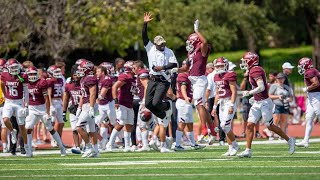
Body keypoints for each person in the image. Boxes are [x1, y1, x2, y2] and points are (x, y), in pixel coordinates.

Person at [237, 52, 295, 158]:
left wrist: (249, 92)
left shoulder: (255, 70)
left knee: (269, 126)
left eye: (245, 61)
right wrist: (254, 97)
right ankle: (248, 150)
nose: (244, 63)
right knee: (250, 125)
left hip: (264, 102)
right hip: (258, 101)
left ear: (251, 61)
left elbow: (262, 87)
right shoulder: (253, 70)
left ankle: (289, 140)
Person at [142, 12, 177, 152]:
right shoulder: (150, 48)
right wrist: (145, 24)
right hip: (152, 79)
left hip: (163, 80)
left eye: (163, 43)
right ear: (155, 44)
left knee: (156, 103)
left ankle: (167, 105)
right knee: (148, 104)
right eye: (160, 44)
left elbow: (174, 65)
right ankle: (164, 114)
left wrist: (161, 67)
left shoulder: (168, 51)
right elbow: (144, 37)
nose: (162, 45)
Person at [175, 19, 212, 144]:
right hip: (193, 80)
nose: (188, 44)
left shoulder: (202, 49)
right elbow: (185, 68)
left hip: (200, 79)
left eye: (190, 42)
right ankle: (212, 128)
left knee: (199, 104)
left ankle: (204, 129)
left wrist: (197, 31)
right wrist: (174, 70)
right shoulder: (190, 54)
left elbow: (205, 41)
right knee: (199, 105)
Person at [25, 66, 66, 157]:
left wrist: (48, 113)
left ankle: (62, 147)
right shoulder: (26, 84)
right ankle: (29, 150)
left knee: (50, 128)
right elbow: (26, 97)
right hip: (32, 108)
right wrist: (26, 107)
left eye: (33, 74)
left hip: (42, 108)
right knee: (28, 127)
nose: (32, 76)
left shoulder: (41, 83)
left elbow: (46, 99)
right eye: (30, 74)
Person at [0, 58, 29, 155]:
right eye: (12, 67)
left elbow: (26, 91)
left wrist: (26, 105)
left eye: (16, 67)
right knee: (5, 120)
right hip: (9, 101)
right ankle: (12, 131)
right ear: (8, 68)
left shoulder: (22, 75)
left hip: (19, 102)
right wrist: (5, 95)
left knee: (22, 126)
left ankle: (26, 146)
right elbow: (2, 84)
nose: (15, 69)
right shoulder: (4, 75)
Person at [211, 57, 239, 156]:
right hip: (221, 103)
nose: (219, 67)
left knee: (224, 125)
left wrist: (231, 105)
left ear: (226, 65)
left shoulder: (229, 75)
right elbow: (217, 93)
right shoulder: (216, 77)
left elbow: (234, 91)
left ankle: (235, 145)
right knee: (225, 127)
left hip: (229, 102)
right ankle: (230, 148)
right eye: (217, 66)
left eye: (221, 65)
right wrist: (214, 107)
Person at [175, 60, 203, 151]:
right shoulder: (182, 75)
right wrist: (186, 97)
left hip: (187, 102)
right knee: (182, 123)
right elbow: (183, 87)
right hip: (183, 102)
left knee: (190, 123)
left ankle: (193, 144)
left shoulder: (188, 76)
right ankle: (177, 145)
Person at [107, 61, 135, 152]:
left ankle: (127, 146)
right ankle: (110, 144)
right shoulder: (125, 76)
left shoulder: (133, 77)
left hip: (129, 103)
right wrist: (116, 101)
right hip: (122, 103)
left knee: (129, 124)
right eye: (133, 67)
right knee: (121, 123)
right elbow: (114, 87)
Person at [76, 59, 99, 158]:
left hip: (90, 105)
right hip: (86, 105)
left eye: (82, 68)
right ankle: (96, 151)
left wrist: (91, 107)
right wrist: (79, 107)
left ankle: (89, 147)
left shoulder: (90, 78)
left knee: (79, 127)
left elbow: (93, 93)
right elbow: (83, 95)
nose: (79, 70)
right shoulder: (83, 78)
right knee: (91, 130)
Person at [295, 57, 320, 148]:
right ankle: (305, 141)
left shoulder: (309, 72)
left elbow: (316, 83)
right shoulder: (312, 70)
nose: (300, 68)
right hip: (313, 97)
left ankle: (305, 141)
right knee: (309, 118)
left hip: (316, 97)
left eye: (301, 66)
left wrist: (307, 88)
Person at [95, 64, 116, 150]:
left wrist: (94, 100)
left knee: (115, 123)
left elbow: (102, 94)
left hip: (108, 104)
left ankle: (120, 140)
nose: (96, 73)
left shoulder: (107, 79)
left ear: (103, 72)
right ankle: (103, 141)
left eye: (98, 71)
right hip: (101, 105)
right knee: (95, 123)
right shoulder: (98, 79)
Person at [62, 65, 82, 153]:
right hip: (74, 108)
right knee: (74, 129)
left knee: (86, 129)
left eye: (78, 74)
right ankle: (77, 147)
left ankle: (87, 145)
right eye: (74, 75)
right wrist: (64, 112)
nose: (76, 76)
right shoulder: (69, 85)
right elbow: (66, 99)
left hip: (84, 108)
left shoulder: (84, 83)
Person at [269, 73, 293, 138]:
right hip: (276, 105)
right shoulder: (274, 86)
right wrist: (278, 97)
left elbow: (291, 98)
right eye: (279, 78)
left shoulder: (287, 87)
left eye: (282, 78)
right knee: (275, 120)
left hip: (285, 105)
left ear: (284, 79)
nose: (280, 80)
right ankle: (272, 135)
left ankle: (281, 136)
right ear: (276, 79)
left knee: (283, 120)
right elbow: (270, 95)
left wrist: (288, 99)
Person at [46, 65, 65, 147]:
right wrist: (50, 105)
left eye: (58, 72)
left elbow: (62, 92)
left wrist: (63, 102)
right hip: (53, 101)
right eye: (56, 72)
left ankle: (59, 140)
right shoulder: (50, 81)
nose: (58, 74)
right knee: (52, 122)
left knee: (61, 122)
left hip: (59, 101)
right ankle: (53, 139)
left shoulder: (60, 80)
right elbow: (49, 94)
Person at [0, 59, 8, 153]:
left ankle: (6, 145)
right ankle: (6, 146)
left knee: (4, 126)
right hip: (3, 103)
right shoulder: (5, 77)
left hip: (4, 103)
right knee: (4, 126)